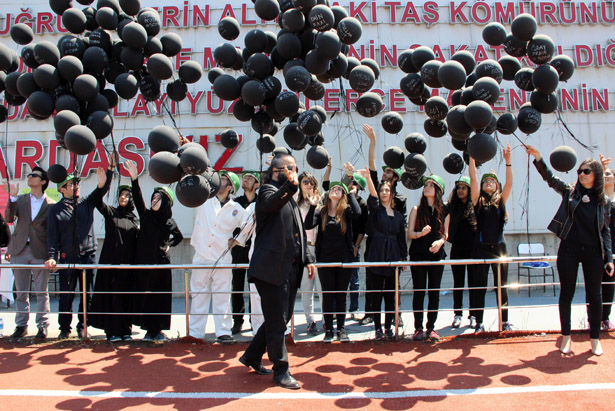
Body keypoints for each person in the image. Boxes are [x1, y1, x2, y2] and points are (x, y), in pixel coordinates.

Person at [239, 153, 316, 390]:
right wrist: (290, 187)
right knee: (277, 321)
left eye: (295, 168)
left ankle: (252, 355)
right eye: (290, 168)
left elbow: (298, 232)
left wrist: (308, 258)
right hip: (270, 269)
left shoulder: (289, 198)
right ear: (276, 171)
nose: (295, 172)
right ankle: (280, 370)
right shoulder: (267, 191)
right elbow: (271, 204)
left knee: (280, 318)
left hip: (290, 269)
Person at [527, 146, 613, 355]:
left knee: (595, 296)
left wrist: (609, 258)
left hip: (593, 252)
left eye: (586, 171)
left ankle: (595, 339)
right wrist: (538, 157)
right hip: (569, 249)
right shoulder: (570, 192)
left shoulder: (603, 201)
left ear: (596, 175)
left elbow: (605, 231)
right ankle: (566, 337)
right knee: (567, 293)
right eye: (579, 171)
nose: (581, 174)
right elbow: (550, 179)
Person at [45, 156, 114, 339]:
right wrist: (52, 256)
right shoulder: (55, 210)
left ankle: (83, 325)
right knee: (66, 294)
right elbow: (52, 237)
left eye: (77, 183)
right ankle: (64, 328)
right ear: (62, 189)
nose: (76, 186)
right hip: (67, 257)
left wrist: (110, 170)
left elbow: (101, 190)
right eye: (71, 184)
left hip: (88, 256)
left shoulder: (86, 203)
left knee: (87, 294)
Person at [125, 160, 183, 342]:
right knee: (145, 297)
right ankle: (147, 330)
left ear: (166, 202)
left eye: (158, 199)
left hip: (161, 265)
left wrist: (168, 245)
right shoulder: (146, 216)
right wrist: (134, 178)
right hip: (143, 263)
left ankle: (156, 330)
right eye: (153, 198)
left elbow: (179, 237)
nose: (154, 201)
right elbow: (138, 198)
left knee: (160, 298)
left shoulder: (169, 222)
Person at [189, 170, 246, 343]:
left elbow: (249, 224)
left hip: (222, 257)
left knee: (222, 296)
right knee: (198, 296)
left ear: (230, 187)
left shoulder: (236, 208)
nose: (218, 181)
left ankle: (223, 331)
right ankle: (195, 333)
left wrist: (238, 240)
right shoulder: (204, 200)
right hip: (201, 255)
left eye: (223, 179)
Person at [361, 124, 407, 327]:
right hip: (375, 246)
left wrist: (403, 255)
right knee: (373, 284)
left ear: (395, 178)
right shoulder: (376, 198)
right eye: (384, 172)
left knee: (392, 287)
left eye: (389, 172)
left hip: (393, 248)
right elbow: (371, 168)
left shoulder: (401, 202)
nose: (385, 174)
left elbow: (401, 229)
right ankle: (372, 316)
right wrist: (373, 141)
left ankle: (395, 315)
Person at [304, 180, 361, 342]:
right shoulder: (321, 211)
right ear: (328, 194)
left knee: (341, 295)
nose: (335, 190)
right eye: (333, 188)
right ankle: (329, 329)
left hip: (344, 259)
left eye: (339, 189)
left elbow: (358, 214)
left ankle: (341, 329)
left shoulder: (346, 211)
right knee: (328, 295)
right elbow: (308, 225)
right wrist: (312, 206)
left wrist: (351, 194)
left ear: (343, 195)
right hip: (325, 259)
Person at [3, 167, 55, 339]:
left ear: (43, 181)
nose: (30, 177)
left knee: (41, 291)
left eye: (34, 175)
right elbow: (9, 218)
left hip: (40, 250)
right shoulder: (21, 199)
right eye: (29, 175)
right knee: (21, 291)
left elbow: (52, 231)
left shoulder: (51, 204)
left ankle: (42, 325)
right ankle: (21, 325)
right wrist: (12, 198)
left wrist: (52, 255)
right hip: (19, 249)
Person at [468, 145, 513, 333]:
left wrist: (508, 161)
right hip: (481, 248)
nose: (488, 182)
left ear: (496, 186)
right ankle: (479, 322)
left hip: (499, 248)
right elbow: (473, 178)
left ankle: (504, 322)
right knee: (480, 287)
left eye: (492, 181)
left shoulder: (501, 200)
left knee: (501, 286)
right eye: (486, 180)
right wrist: (472, 156)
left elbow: (509, 184)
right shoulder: (478, 200)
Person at [89, 184, 139, 341]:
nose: (123, 197)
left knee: (126, 298)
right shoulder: (111, 212)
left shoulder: (134, 219)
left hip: (128, 266)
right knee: (112, 297)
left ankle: (126, 331)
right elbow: (96, 200)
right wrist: (102, 184)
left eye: (127, 195)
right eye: (121, 195)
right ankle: (112, 332)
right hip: (111, 264)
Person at [407, 175, 449, 342]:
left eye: (431, 185)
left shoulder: (444, 210)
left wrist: (440, 242)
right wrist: (420, 233)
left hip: (436, 255)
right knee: (419, 291)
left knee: (434, 291)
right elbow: (409, 233)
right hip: (418, 254)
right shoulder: (416, 209)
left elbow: (446, 233)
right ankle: (418, 327)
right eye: (426, 185)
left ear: (438, 190)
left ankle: (431, 327)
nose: (427, 187)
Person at [230, 171, 260, 335]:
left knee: (254, 286)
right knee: (237, 285)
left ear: (256, 184)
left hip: (256, 248)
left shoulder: (261, 202)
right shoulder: (236, 202)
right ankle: (237, 320)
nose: (245, 180)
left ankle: (254, 319)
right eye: (244, 178)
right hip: (238, 248)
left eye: (249, 178)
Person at [446, 176, 477, 328]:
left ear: (469, 190)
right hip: (457, 249)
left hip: (473, 250)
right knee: (458, 283)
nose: (460, 191)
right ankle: (457, 314)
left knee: (473, 283)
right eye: (458, 188)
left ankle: (474, 315)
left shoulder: (475, 206)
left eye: (464, 188)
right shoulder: (452, 207)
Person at [339, 164, 369, 320]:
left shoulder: (362, 204)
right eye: (351, 183)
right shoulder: (342, 202)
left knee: (354, 280)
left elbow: (363, 228)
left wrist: (356, 245)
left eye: (356, 184)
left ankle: (354, 308)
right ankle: (339, 310)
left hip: (354, 245)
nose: (352, 186)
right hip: (340, 245)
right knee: (340, 280)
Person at [296, 170, 322, 335]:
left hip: (319, 248)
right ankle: (310, 320)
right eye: (305, 182)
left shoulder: (320, 203)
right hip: (303, 249)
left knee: (322, 287)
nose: (309, 185)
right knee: (306, 288)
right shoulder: (295, 204)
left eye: (311, 182)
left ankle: (326, 319)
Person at [600, 154, 615, 331]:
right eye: (604, 174)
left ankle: (605, 318)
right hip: (599, 246)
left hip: (614, 247)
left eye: (609, 174)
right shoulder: (599, 199)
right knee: (596, 284)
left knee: (610, 284)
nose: (606, 176)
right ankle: (595, 318)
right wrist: (603, 168)